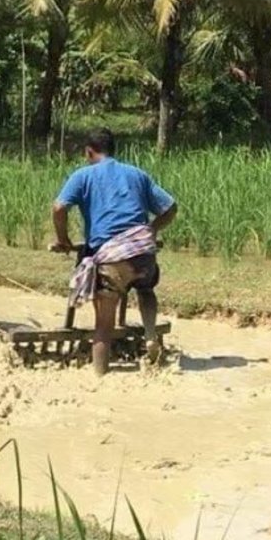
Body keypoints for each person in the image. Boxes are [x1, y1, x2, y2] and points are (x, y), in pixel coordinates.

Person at [50, 128, 178, 376]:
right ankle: (150, 333)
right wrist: (151, 230)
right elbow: (170, 208)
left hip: (110, 257)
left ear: (89, 152)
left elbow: (58, 208)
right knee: (145, 287)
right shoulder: (137, 174)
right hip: (142, 252)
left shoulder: (83, 175)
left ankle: (100, 377)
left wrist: (63, 240)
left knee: (103, 325)